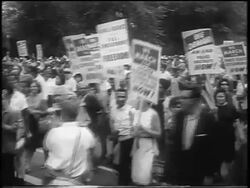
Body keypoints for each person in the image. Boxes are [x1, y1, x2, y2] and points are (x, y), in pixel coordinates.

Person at [43, 96, 98, 185]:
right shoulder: (86, 132)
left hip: (54, 178)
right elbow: (91, 153)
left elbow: (46, 150)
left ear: (62, 115)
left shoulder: (53, 132)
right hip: (77, 180)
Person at [170, 86, 217, 185]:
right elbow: (175, 145)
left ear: (195, 100)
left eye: (184, 98)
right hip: (181, 169)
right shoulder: (179, 116)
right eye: (180, 97)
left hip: (199, 170)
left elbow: (213, 149)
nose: (180, 101)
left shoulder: (208, 119)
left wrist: (209, 174)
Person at [131, 99, 161, 185]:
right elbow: (132, 130)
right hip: (136, 145)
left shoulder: (153, 114)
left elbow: (158, 133)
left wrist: (144, 129)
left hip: (148, 145)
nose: (138, 99)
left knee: (145, 175)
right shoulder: (135, 113)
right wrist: (134, 133)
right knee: (136, 176)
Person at [2, 80, 26, 185]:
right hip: (7, 147)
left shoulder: (15, 112)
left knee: (7, 170)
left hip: (7, 148)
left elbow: (19, 128)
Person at [110, 89, 136, 185]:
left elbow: (134, 125)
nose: (121, 99)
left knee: (124, 164)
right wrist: (113, 131)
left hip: (128, 140)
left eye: (123, 96)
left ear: (126, 98)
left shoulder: (131, 110)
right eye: (119, 96)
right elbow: (112, 122)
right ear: (115, 97)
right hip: (117, 139)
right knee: (117, 164)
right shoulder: (113, 109)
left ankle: (124, 183)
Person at [213, 89, 240, 181]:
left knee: (229, 157)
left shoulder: (231, 107)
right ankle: (219, 175)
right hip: (216, 138)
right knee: (218, 157)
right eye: (218, 96)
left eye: (222, 96)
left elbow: (237, 119)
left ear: (225, 97)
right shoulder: (213, 109)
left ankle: (229, 176)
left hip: (229, 136)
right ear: (215, 97)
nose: (220, 98)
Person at [25, 80, 48, 173]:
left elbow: (46, 112)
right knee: (30, 147)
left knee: (44, 146)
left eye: (35, 86)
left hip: (41, 124)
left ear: (38, 88)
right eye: (32, 86)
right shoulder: (27, 98)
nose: (33, 88)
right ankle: (27, 166)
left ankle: (46, 163)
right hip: (31, 124)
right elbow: (25, 111)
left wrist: (35, 111)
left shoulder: (42, 98)